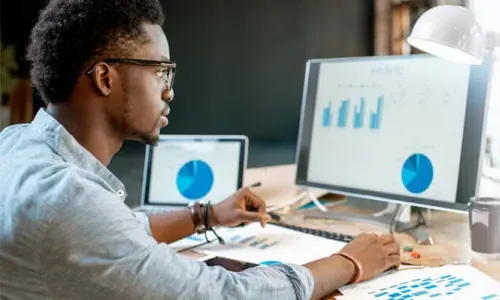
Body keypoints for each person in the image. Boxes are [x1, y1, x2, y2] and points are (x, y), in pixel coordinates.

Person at [0, 0, 401, 299]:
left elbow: (109, 234)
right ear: (105, 77)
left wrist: (206, 215)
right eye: (161, 71)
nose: (169, 90)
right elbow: (218, 296)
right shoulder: (66, 198)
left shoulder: (17, 144)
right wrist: (349, 263)